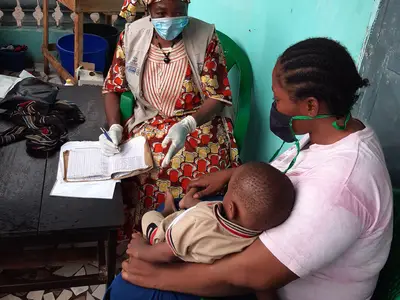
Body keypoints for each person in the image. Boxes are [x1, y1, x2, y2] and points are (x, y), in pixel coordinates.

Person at [113, 37, 394, 300]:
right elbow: (289, 176)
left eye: (278, 99)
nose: (275, 107)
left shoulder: (341, 188)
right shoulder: (333, 131)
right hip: (265, 263)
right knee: (182, 226)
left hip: (274, 284)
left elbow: (253, 274)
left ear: (310, 106)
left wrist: (159, 277)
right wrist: (231, 175)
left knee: (131, 289)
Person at [100, 0, 240, 237]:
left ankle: (192, 235)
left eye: (179, 12)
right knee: (141, 167)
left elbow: (217, 97)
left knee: (194, 170)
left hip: (199, 121)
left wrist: (188, 124)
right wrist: (114, 126)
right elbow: (113, 87)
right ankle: (146, 233)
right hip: (149, 119)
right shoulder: (131, 36)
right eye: (161, 13)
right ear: (149, 12)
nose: (171, 20)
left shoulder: (206, 36)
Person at [136, 162, 295, 265]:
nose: (225, 194)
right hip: (206, 222)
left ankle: (167, 213)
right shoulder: (254, 236)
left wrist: (141, 249)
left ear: (232, 209)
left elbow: (167, 252)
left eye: (228, 191)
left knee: (149, 217)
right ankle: (187, 203)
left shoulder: (198, 225)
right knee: (216, 208)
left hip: (172, 237)